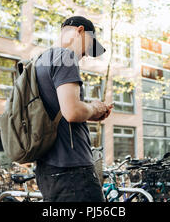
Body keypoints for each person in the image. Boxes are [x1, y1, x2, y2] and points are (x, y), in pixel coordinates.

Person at [34, 15, 113, 202]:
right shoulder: (66, 56)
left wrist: (91, 113)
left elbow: (60, 111)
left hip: (48, 171)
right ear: (80, 31)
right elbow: (72, 112)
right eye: (88, 47)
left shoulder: (40, 61)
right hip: (73, 171)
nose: (85, 55)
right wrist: (93, 107)